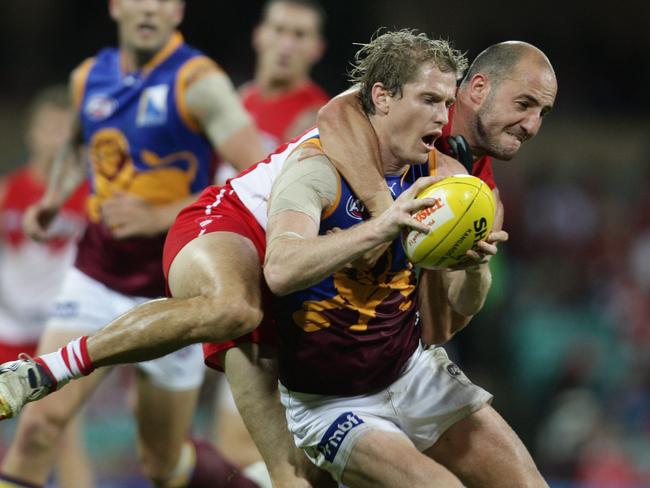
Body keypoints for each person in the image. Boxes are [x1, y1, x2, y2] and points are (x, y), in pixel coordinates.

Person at [0, 30, 557, 487]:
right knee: (234, 310)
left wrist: (466, 265)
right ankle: (46, 370)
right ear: (475, 89)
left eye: (543, 113)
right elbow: (336, 119)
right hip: (239, 228)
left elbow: (438, 324)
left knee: (215, 469)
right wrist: (385, 216)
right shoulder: (358, 124)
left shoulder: (462, 184)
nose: (532, 126)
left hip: (326, 314)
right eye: (524, 105)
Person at [262, 30, 549, 487]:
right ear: (382, 97)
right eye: (429, 100)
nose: (443, 117)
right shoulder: (316, 170)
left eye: (445, 103)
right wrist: (382, 224)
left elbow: (463, 302)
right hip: (331, 402)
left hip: (412, 373)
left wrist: (475, 264)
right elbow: (279, 270)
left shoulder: (449, 180)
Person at [0, 0, 266, 487]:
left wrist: (161, 214)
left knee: (161, 463)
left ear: (177, 11)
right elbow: (78, 143)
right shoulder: (87, 78)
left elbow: (257, 175)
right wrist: (55, 197)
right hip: (97, 275)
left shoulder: (198, 82)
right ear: (116, 6)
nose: (149, 8)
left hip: (175, 293)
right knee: (39, 425)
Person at [212, 0, 327, 475]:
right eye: (279, 29)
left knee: (268, 453)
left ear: (316, 48)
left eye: (299, 35)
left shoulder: (323, 119)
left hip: (278, 304)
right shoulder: (235, 104)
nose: (286, 43)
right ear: (259, 35)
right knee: (233, 449)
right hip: (228, 281)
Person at [0, 86, 91, 488]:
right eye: (48, 128)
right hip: (6, 325)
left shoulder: (89, 199)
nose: (55, 138)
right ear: (31, 134)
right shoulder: (7, 191)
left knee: (60, 430)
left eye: (63, 130)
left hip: (56, 330)